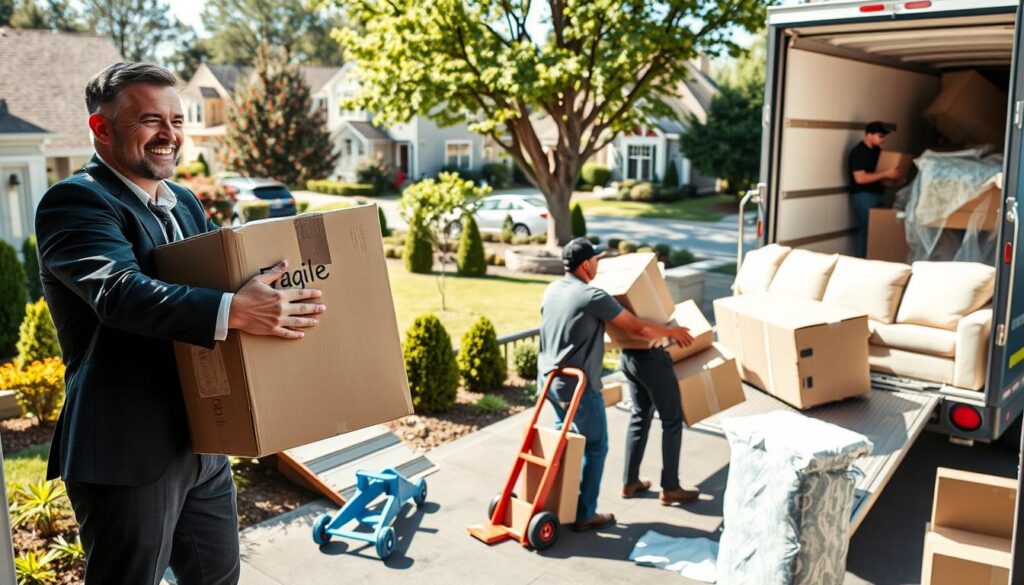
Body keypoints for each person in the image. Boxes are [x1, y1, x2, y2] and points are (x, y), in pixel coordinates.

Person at [35, 62, 326, 585]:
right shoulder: (76, 201)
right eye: (150, 120)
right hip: (128, 449)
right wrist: (233, 309)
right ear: (101, 129)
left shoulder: (184, 202)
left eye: (177, 119)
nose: (169, 134)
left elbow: (229, 271)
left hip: (204, 441)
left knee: (217, 578)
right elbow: (117, 292)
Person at [537, 238, 693, 531]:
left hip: (549, 383)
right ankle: (585, 513)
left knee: (566, 443)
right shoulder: (592, 295)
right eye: (595, 259)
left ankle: (560, 502)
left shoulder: (552, 289)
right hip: (578, 387)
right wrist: (673, 332)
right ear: (585, 265)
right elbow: (639, 327)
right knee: (596, 446)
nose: (598, 264)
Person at [619, 345, 700, 505]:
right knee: (671, 421)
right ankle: (671, 488)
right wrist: (673, 332)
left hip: (627, 355)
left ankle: (629, 482)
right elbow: (645, 328)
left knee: (639, 416)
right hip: (650, 357)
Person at [848, 121, 904, 257]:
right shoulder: (858, 152)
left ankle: (874, 257)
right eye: (880, 136)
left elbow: (878, 176)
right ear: (869, 135)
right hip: (863, 196)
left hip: (878, 194)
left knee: (877, 231)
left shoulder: (877, 151)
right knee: (866, 231)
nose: (882, 140)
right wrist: (885, 173)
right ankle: (862, 261)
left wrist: (895, 179)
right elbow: (860, 178)